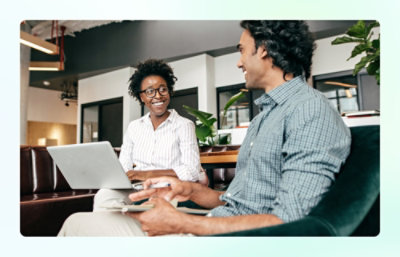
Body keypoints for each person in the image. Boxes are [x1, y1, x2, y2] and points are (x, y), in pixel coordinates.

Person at [58, 20, 351, 236]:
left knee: (75, 226)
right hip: (213, 220)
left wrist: (184, 222)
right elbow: (238, 200)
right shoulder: (266, 116)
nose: (238, 62)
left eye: (241, 50)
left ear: (263, 50)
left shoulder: (309, 111)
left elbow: (291, 220)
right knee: (89, 214)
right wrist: (189, 190)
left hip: (227, 235)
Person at [93, 59, 207, 211]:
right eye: (150, 91)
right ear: (141, 97)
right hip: (137, 188)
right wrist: (122, 177)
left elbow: (191, 172)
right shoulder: (134, 127)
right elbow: (124, 168)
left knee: (145, 205)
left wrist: (144, 174)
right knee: (103, 196)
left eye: (163, 89)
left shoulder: (184, 125)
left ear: (169, 91)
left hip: (168, 188)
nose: (158, 96)